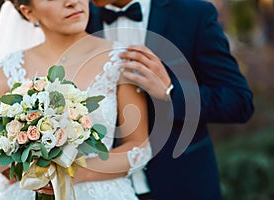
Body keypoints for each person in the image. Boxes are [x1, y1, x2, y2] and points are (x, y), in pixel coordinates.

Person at [0, 0, 151, 199]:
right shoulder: (9, 68)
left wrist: (76, 172)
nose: (72, 2)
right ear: (29, 12)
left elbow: (139, 148)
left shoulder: (122, 60)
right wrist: (20, 164)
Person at [86, 0, 255, 199]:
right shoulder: (79, 19)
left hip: (183, 184)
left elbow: (238, 101)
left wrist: (170, 91)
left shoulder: (193, 14)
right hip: (104, 188)